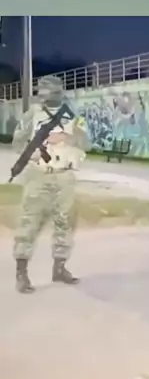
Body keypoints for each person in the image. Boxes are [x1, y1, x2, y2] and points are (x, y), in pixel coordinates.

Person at [12, 75, 88, 293]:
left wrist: (66, 137)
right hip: (38, 176)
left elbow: (87, 142)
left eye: (50, 92)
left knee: (65, 223)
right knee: (29, 222)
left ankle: (59, 268)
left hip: (64, 176)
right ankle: (21, 273)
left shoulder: (73, 115)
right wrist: (32, 152)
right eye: (43, 93)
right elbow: (17, 142)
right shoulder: (31, 115)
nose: (46, 97)